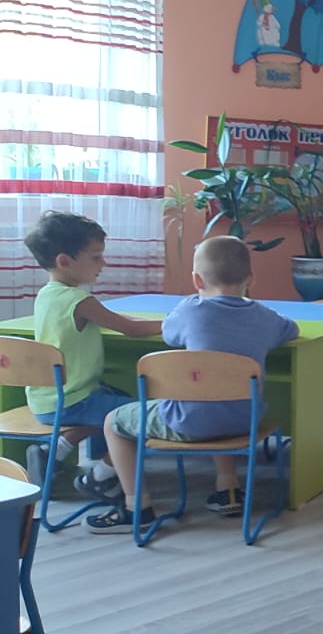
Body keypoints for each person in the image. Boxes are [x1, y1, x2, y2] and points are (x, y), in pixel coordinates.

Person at [86, 236, 299, 533]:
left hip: (190, 423)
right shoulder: (265, 317)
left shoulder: (189, 311)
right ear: (250, 278)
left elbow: (170, 334)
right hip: (244, 421)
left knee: (113, 422)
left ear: (197, 280)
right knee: (216, 395)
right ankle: (228, 489)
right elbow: (291, 329)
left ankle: (137, 507)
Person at [21, 211, 163, 499]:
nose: (103, 263)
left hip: (49, 398)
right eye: (96, 257)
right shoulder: (80, 300)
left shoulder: (48, 294)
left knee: (115, 400)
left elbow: (113, 319)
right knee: (140, 417)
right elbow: (131, 329)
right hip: (75, 399)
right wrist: (173, 323)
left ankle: (52, 452)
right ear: (64, 261)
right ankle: (99, 476)